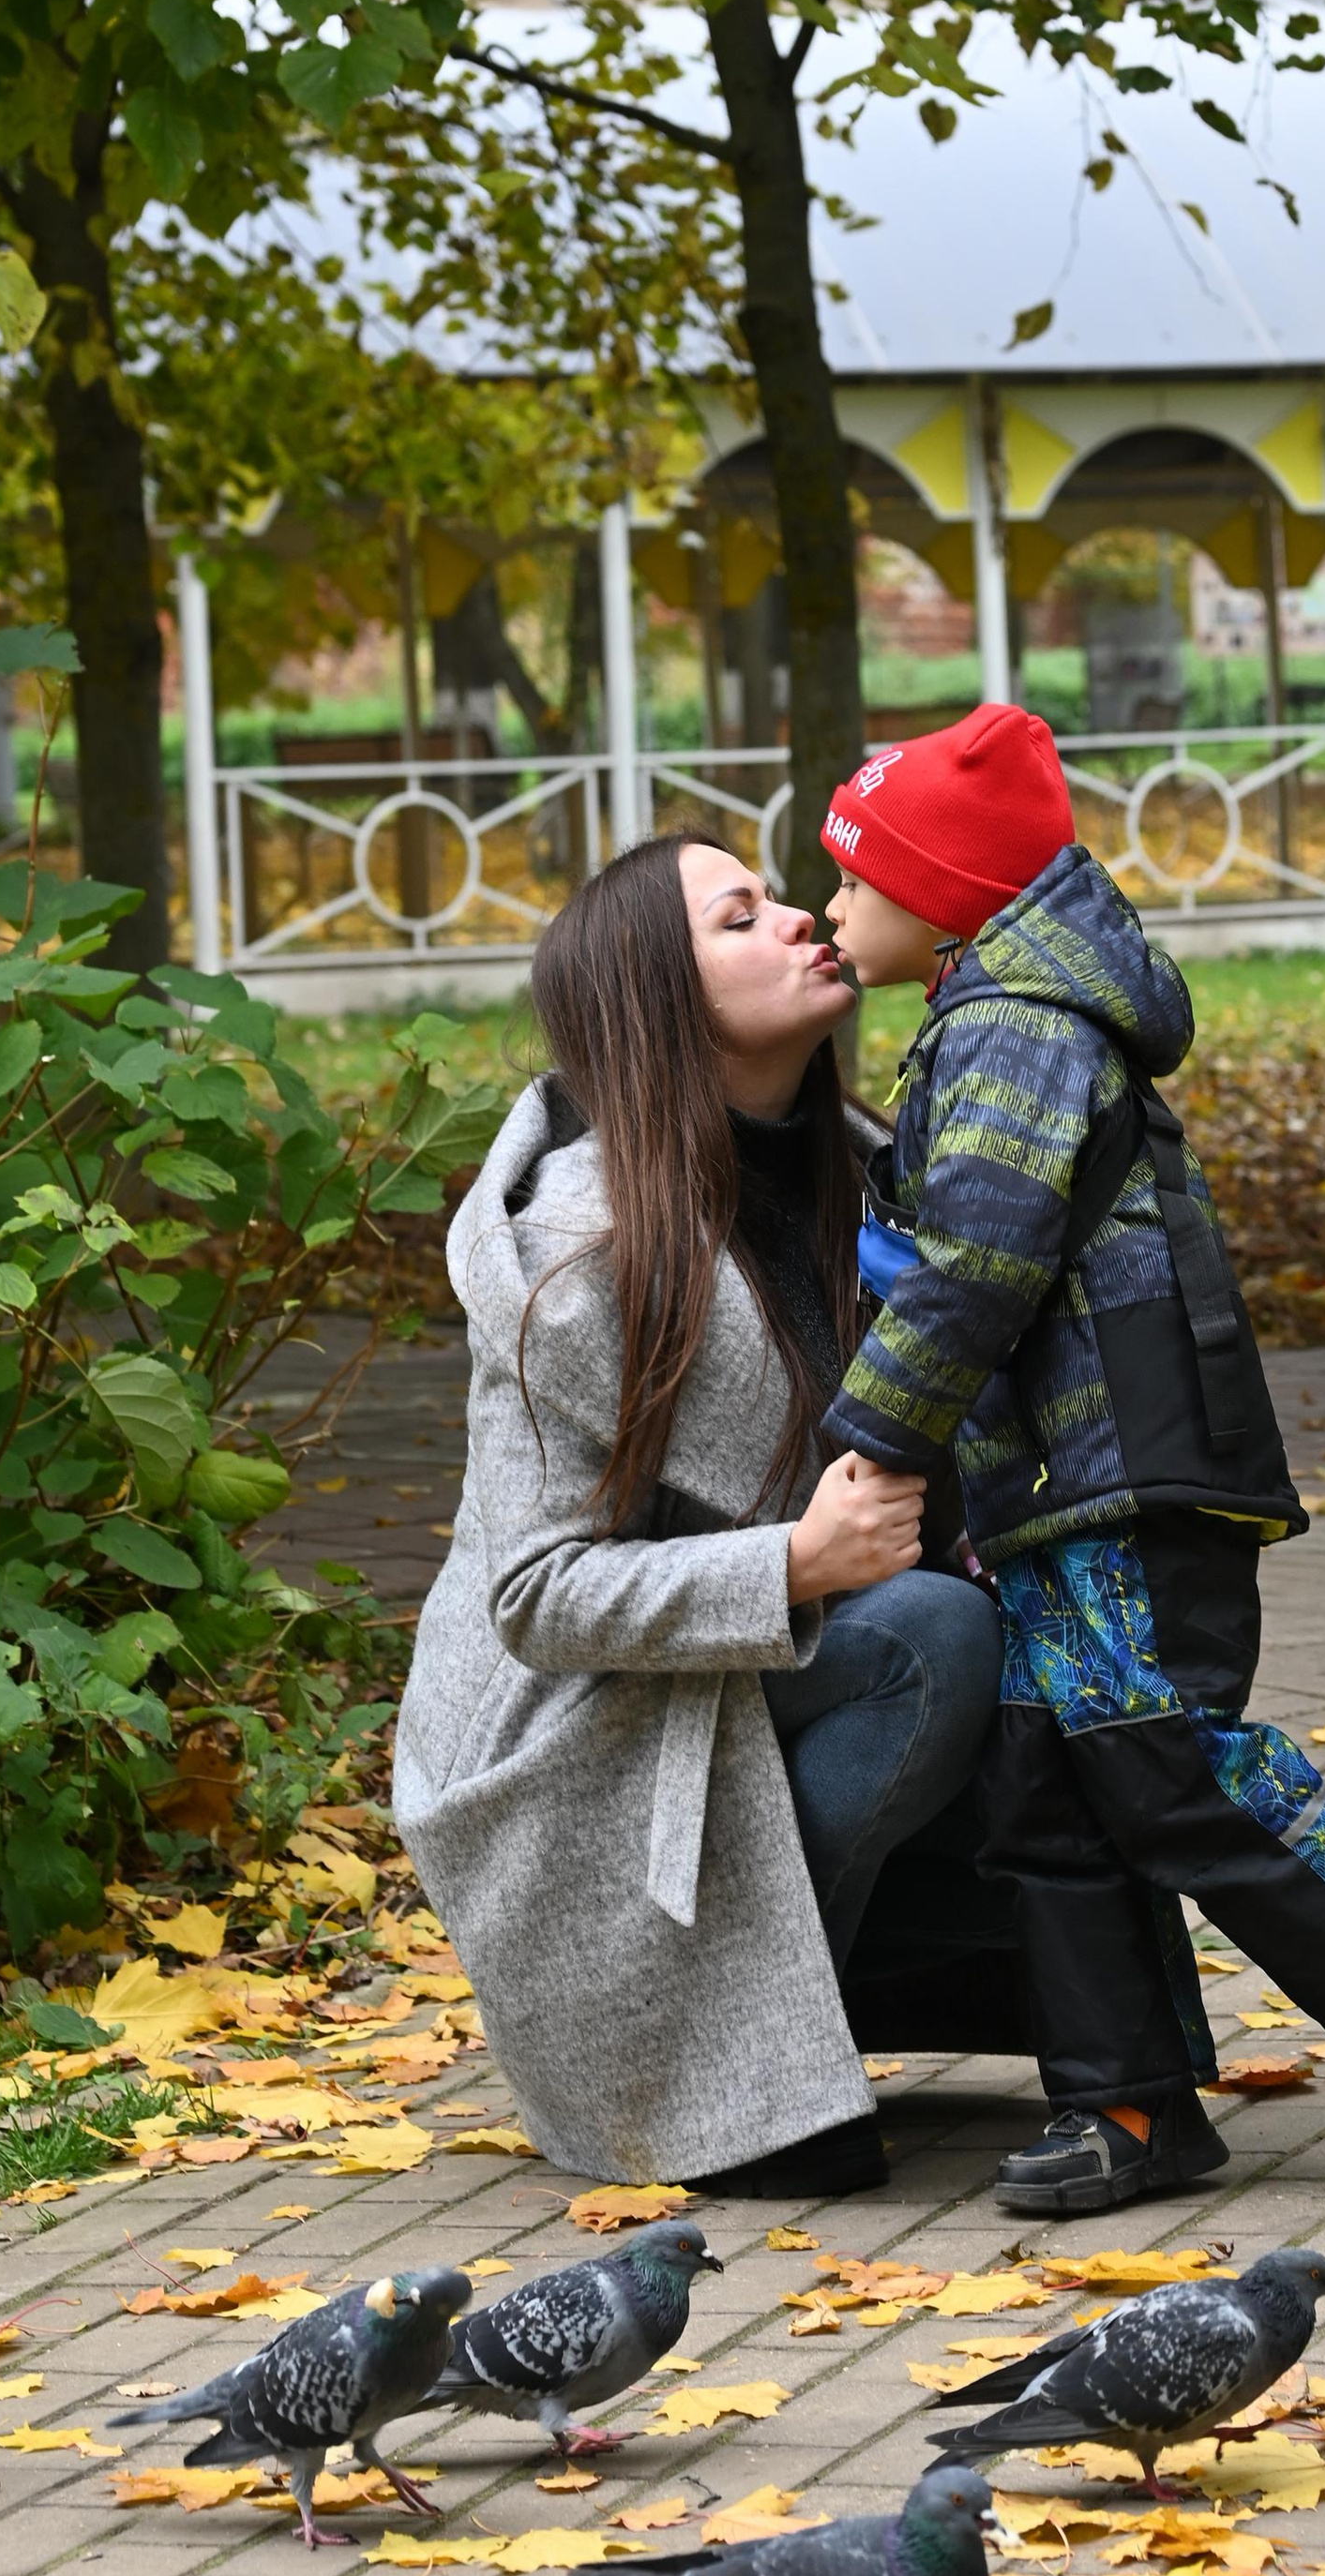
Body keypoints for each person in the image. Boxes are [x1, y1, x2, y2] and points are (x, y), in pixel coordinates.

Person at [819, 701, 1325, 2216]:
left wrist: (874, 1435)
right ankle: (1133, 2112)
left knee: (1169, 1770)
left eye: (853, 874)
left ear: (947, 890)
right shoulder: (990, 1009)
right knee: (1046, 1789)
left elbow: (980, 1267)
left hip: (1132, 1473)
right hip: (1061, 1489)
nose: (833, 904)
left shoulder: (1014, 1026)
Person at [390, 835, 1020, 2196]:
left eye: (780, 896)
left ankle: (813, 2025)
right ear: (658, 1002)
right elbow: (538, 1598)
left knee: (1048, 1612)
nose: (801, 916)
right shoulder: (579, 1253)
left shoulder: (862, 1171)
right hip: (576, 1735)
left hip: (748, 1671)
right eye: (741, 916)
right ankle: (736, 2063)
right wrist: (791, 1563)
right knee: (928, 1637)